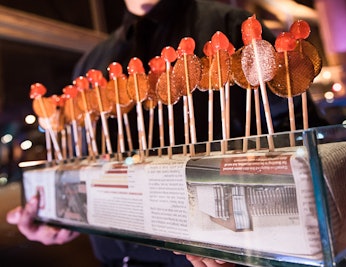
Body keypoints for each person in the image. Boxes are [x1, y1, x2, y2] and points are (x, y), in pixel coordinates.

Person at [7, 0, 326, 266]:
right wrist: (60, 216)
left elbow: (304, 147)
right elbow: (87, 169)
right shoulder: (91, 64)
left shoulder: (231, 25)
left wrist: (273, 234)